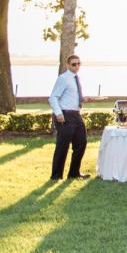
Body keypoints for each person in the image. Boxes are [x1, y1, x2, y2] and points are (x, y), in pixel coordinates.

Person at [49, 53, 89, 181]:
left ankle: (74, 173)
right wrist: (58, 113)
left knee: (81, 143)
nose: (77, 66)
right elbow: (53, 97)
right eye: (74, 64)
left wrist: (83, 99)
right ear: (67, 65)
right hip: (65, 115)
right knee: (63, 146)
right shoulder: (63, 78)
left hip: (76, 114)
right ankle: (56, 176)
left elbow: (72, 96)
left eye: (78, 64)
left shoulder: (76, 78)